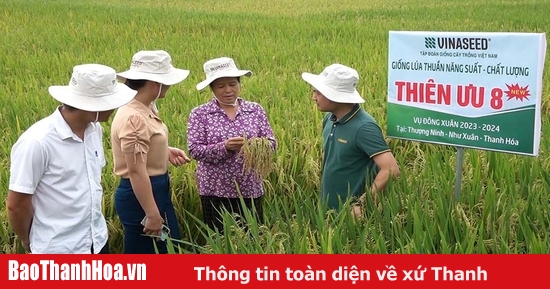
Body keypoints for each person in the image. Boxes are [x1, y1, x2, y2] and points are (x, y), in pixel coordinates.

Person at [7, 64, 137, 253]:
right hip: (59, 249)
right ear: (94, 105)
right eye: (111, 101)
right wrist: (29, 241)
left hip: (97, 241)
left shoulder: (94, 130)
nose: (117, 106)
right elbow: (17, 203)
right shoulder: (37, 142)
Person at [111, 50, 191, 254]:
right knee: (149, 253)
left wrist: (164, 151)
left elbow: (144, 145)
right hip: (142, 195)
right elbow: (136, 171)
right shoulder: (134, 117)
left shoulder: (145, 107)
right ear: (155, 83)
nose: (171, 85)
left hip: (156, 189)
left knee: (169, 248)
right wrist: (152, 214)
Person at [187, 56, 277, 233]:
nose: (228, 90)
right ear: (211, 88)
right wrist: (225, 147)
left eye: (233, 84)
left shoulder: (255, 110)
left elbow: (271, 143)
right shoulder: (200, 114)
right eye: (221, 86)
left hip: (249, 187)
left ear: (239, 84)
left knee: (252, 238)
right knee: (220, 239)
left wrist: (255, 146)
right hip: (214, 188)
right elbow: (194, 149)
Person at [301, 63, 400, 216]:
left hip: (350, 213)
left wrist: (363, 204)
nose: (313, 97)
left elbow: (391, 169)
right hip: (328, 208)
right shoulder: (329, 119)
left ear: (335, 95)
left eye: (318, 93)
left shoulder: (364, 127)